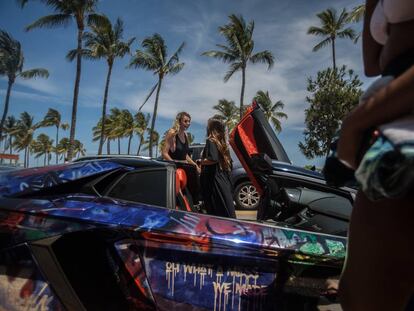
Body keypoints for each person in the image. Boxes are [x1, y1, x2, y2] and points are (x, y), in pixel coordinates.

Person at [336, 1, 414, 310]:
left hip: (403, 123)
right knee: (358, 294)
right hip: (393, 118)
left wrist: (356, 123)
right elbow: (373, 63)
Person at [200, 118, 236, 218]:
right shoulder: (221, 144)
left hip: (214, 181)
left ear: (211, 128)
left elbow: (213, 159)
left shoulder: (211, 141)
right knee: (225, 209)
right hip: (223, 178)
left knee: (215, 210)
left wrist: (200, 162)